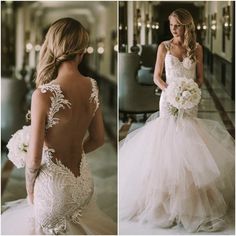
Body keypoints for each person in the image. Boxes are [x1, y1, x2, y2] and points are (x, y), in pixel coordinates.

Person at [119, 8, 234, 233]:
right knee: (167, 143)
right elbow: (156, 76)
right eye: (171, 24)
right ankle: (164, 204)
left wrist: (190, 91)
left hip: (190, 101)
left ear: (186, 26)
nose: (173, 28)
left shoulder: (197, 49)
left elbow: (200, 79)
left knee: (189, 143)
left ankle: (190, 202)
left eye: (177, 25)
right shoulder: (164, 47)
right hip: (168, 100)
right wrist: (171, 91)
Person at [2, 17, 117, 235]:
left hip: (54, 191)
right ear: (81, 50)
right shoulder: (92, 86)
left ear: (53, 45)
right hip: (83, 183)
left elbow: (34, 160)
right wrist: (72, 153)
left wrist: (29, 191)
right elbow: (99, 139)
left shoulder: (44, 94)